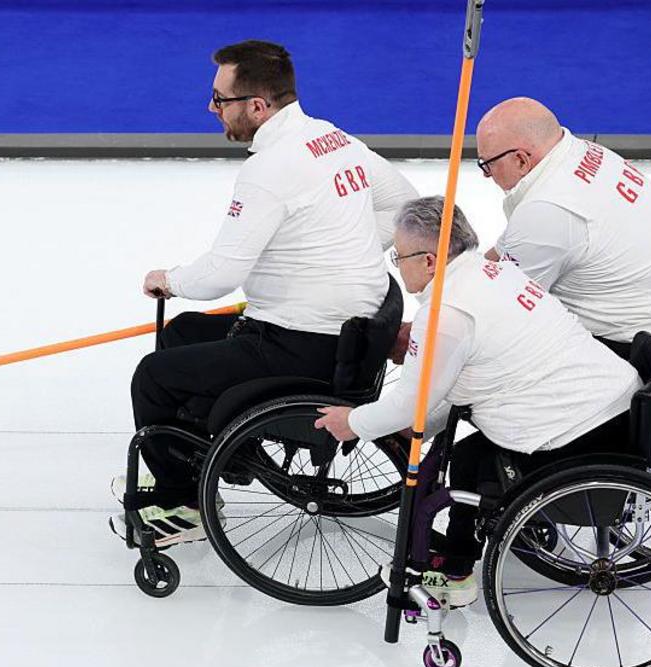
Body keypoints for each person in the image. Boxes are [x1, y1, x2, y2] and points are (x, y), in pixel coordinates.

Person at [110, 40, 419, 547]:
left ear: (257, 106)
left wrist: (169, 278)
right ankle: (208, 457)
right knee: (183, 332)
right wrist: (342, 248)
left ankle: (182, 502)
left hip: (299, 342)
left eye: (219, 99)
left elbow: (221, 274)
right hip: (348, 328)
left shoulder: (269, 169)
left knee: (153, 378)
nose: (211, 109)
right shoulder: (330, 137)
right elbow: (404, 201)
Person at [315, 196, 641, 606]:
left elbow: (409, 406)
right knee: (467, 457)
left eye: (399, 257)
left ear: (430, 261)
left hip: (574, 430)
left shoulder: (446, 315)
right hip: (609, 401)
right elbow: (450, 390)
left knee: (473, 463)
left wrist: (354, 421)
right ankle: (457, 567)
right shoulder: (494, 273)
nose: (398, 265)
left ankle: (456, 575)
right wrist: (419, 420)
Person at [475, 97, 651, 353]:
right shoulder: (584, 153)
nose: (486, 176)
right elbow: (505, 251)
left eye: (487, 165)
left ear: (521, 160)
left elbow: (504, 309)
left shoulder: (546, 210)